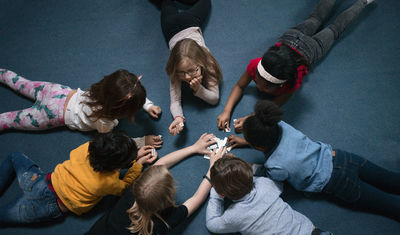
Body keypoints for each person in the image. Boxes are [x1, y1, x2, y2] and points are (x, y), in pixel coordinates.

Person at [23, 133, 224, 235]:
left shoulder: (130, 193)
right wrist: (212, 169)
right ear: (169, 200)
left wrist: (192, 148)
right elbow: (195, 200)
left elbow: (159, 166)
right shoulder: (164, 221)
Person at [206, 155, 398, 235]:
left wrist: (216, 193)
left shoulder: (234, 216)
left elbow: (213, 224)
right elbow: (276, 180)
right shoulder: (266, 185)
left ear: (223, 193)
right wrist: (248, 169)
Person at [227, 100, 400, 221]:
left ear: (257, 147)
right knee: (390, 178)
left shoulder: (275, 166)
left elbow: (269, 174)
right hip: (342, 157)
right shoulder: (281, 125)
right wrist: (247, 138)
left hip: (337, 182)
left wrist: (248, 166)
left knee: (388, 205)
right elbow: (268, 137)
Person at [217, 0, 375, 132]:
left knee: (334, 29)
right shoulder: (256, 65)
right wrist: (226, 111)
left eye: (266, 87)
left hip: (313, 48)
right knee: (316, 17)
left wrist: (252, 118)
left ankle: (362, 2)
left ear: (282, 84)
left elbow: (277, 102)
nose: (259, 87)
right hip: (292, 36)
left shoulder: (292, 82)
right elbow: (239, 85)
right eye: (257, 81)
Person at [0, 129, 158, 225]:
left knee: (15, 157)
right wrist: (138, 163)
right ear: (116, 167)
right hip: (50, 207)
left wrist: (133, 155)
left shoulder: (88, 147)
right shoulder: (107, 182)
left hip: (40, 182)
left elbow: (110, 159)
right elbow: (125, 187)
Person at [0, 68, 162, 140]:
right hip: (52, 115)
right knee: (11, 120)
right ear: (121, 110)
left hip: (58, 91)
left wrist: (147, 105)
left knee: (20, 82)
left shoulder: (103, 88)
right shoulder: (105, 122)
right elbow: (111, 140)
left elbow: (127, 94)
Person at [161, 0, 223, 135]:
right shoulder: (175, 69)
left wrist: (199, 89)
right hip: (170, 28)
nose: (187, 77)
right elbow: (175, 101)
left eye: (192, 71)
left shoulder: (208, 62)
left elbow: (214, 99)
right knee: (165, 3)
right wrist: (178, 118)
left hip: (190, 22)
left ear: (200, 63)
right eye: (181, 72)